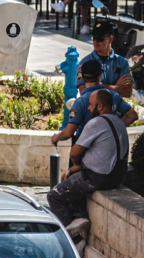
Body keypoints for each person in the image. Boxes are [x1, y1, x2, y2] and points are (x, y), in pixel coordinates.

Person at [49, 89, 129, 244]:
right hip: (116, 176)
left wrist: (76, 164)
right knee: (73, 179)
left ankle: (70, 241)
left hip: (98, 178)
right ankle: (79, 219)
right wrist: (75, 169)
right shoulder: (119, 122)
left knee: (55, 195)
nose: (88, 108)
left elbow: (75, 153)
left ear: (100, 106)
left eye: (91, 105)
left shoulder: (96, 123)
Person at [51, 58, 137, 146]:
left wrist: (56, 137)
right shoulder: (113, 95)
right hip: (109, 147)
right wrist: (113, 127)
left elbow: (68, 133)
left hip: (84, 150)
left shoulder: (80, 102)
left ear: (83, 78)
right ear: (100, 77)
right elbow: (132, 115)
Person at [81, 20, 134, 98]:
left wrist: (98, 86)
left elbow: (127, 93)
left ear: (110, 39)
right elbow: (84, 92)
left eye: (100, 39)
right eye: (94, 38)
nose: (95, 42)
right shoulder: (85, 63)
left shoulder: (122, 62)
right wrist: (116, 87)